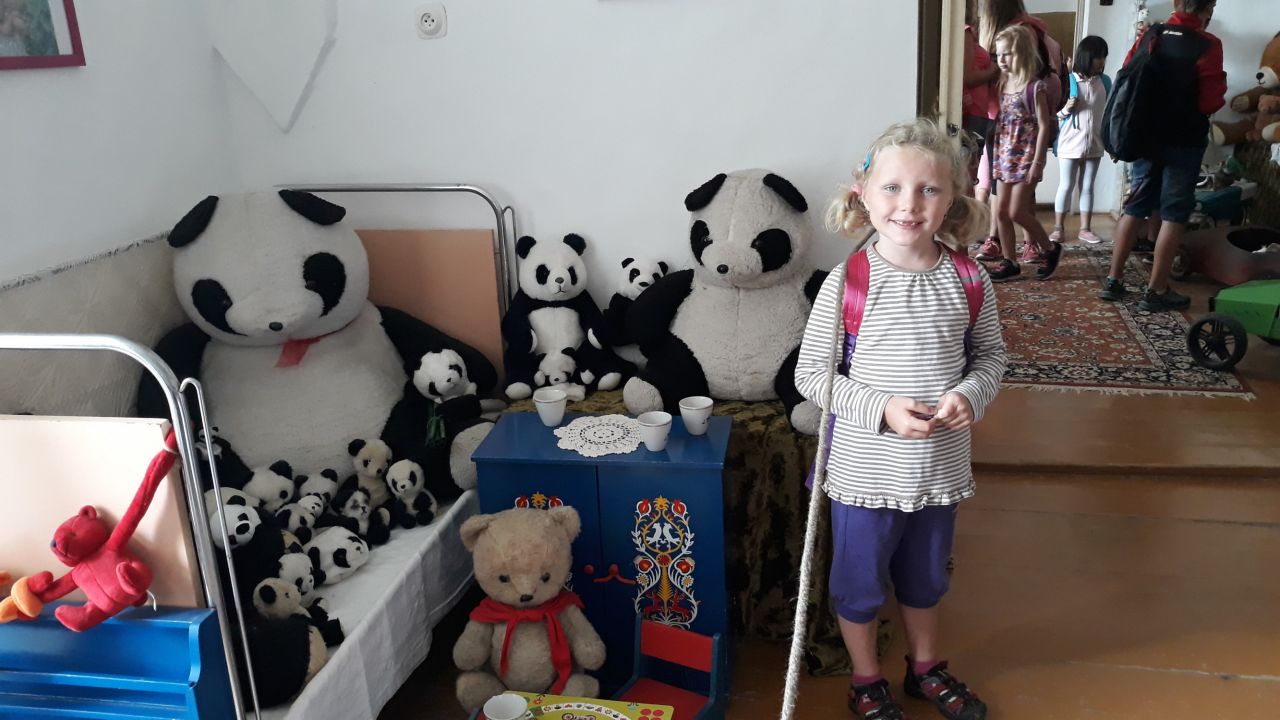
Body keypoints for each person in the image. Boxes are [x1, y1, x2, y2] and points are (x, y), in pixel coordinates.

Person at [798, 118, 1007, 720]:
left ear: (952, 201)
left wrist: (971, 392)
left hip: (937, 473)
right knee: (859, 584)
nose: (909, 205)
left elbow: (991, 356)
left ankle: (925, 668)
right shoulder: (848, 282)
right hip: (865, 475)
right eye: (891, 188)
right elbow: (811, 375)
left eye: (928, 190)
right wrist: (882, 409)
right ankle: (866, 679)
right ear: (862, 195)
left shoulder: (969, 278)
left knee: (925, 579)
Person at [1098, 0, 1226, 311]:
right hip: (1184, 143)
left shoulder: (1151, 35)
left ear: (1176, 3)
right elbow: (1210, 102)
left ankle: (1114, 281)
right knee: (1174, 214)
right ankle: (1156, 290)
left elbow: (1127, 77)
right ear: (1209, 8)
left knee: (1135, 207)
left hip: (1144, 138)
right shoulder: (1208, 44)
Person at [986, 25, 1061, 282]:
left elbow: (1044, 126)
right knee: (1000, 212)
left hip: (1026, 158)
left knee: (1017, 211)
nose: (1001, 59)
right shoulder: (1002, 84)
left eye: (1007, 54)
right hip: (1004, 157)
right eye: (998, 54)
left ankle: (1050, 249)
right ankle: (1010, 262)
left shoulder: (1035, 87)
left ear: (1022, 54)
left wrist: (1038, 162)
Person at [1052, 35, 1111, 244]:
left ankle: (1085, 229)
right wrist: (1065, 110)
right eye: (1098, 56)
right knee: (1066, 185)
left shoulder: (1105, 82)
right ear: (1087, 56)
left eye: (1104, 56)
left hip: (1095, 142)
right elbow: (1053, 114)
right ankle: (1058, 228)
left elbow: (1108, 113)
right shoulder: (1068, 80)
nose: (1102, 61)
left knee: (1087, 186)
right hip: (1069, 142)